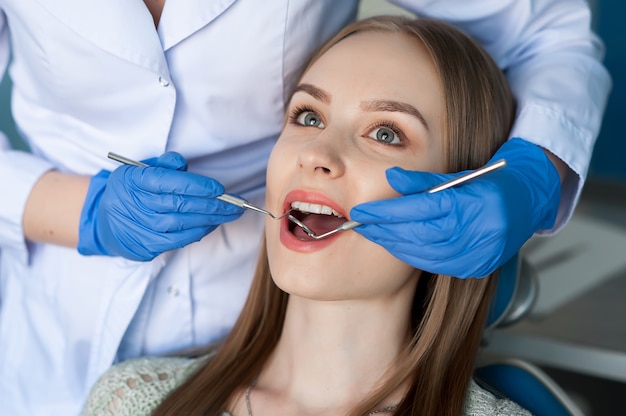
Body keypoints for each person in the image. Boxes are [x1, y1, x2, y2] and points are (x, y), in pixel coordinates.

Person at [0, 1, 610, 415]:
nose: (317, 153)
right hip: (48, 327)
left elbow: (544, 35)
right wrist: (75, 208)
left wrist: (530, 179)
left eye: (387, 133)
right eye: (307, 116)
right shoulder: (129, 399)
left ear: (458, 185)